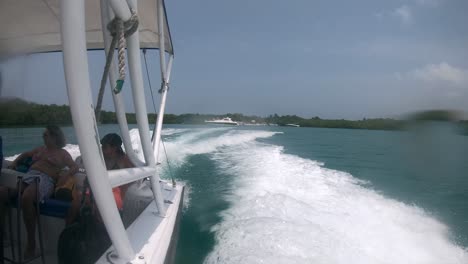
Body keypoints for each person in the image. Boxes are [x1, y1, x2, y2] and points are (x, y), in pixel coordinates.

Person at [0, 125, 78, 258]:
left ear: (54, 137)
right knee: (1, 193)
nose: (43, 137)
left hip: (46, 180)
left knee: (27, 197)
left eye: (46, 135)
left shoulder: (63, 153)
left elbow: (75, 166)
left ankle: (31, 244)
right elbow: (25, 155)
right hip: (29, 176)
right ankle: (3, 235)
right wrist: (14, 163)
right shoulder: (40, 149)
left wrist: (66, 175)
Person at [65, 133, 134, 225]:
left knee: (99, 207)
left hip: (114, 191)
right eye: (102, 146)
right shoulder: (100, 158)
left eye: (105, 147)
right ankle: (70, 229)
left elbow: (133, 176)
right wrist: (86, 193)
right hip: (96, 189)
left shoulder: (124, 159)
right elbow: (89, 177)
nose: (102, 149)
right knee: (75, 205)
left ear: (115, 148)